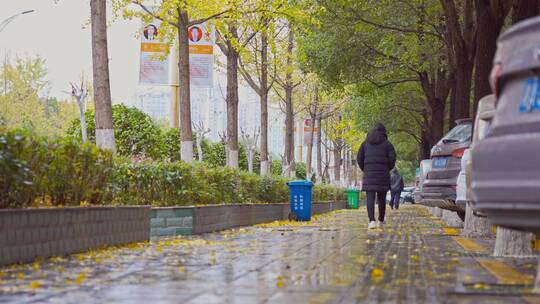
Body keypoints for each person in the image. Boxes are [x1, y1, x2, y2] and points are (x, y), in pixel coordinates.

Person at [357, 123, 396, 229]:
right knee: (381, 198)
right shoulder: (388, 144)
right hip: (383, 174)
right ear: (384, 132)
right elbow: (393, 159)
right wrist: (387, 168)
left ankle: (371, 221)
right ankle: (381, 220)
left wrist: (365, 169)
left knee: (370, 197)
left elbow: (359, 158)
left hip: (369, 174)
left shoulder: (364, 144)